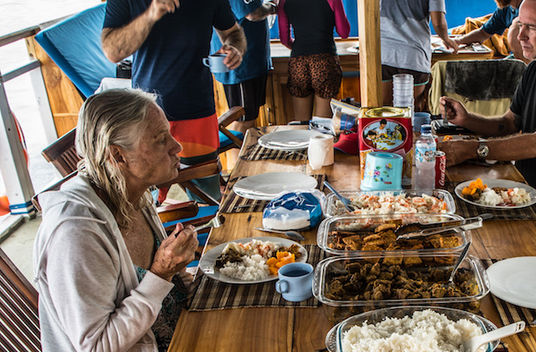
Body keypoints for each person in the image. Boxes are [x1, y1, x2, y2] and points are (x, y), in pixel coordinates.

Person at [33, 89, 198, 352]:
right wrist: (162, 273)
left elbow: (165, 281)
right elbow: (98, 351)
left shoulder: (132, 193)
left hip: (161, 349)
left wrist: (180, 273)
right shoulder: (76, 232)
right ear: (117, 155)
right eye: (159, 139)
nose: (177, 147)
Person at [437, 0, 536, 195]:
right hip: (523, 188)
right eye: (520, 25)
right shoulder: (533, 69)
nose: (521, 35)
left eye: (531, 27)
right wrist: (467, 119)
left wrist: (473, 149)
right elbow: (509, 123)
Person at [102, 0, 247, 202]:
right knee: (147, 200)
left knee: (207, 196)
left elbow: (233, 33)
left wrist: (235, 48)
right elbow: (113, 51)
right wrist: (151, 14)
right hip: (144, 115)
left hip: (197, 110)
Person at [212, 0, 278, 134]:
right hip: (241, 65)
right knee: (242, 120)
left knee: (248, 117)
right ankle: (238, 156)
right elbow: (253, 14)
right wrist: (273, 5)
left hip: (249, 61)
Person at [278, 0, 350, 122]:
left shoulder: (283, 1)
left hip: (298, 62)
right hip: (324, 61)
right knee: (322, 127)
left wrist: (299, 46)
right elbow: (344, 32)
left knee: (302, 124)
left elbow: (284, 39)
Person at [380, 0, 458, 109]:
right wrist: (446, 38)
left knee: (382, 111)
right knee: (410, 113)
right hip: (413, 56)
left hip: (383, 53)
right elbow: (438, 23)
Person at [456, 0, 526, 61]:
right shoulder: (506, 9)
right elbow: (483, 33)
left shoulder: (530, 5)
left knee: (516, 27)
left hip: (533, 57)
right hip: (518, 58)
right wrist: (458, 41)